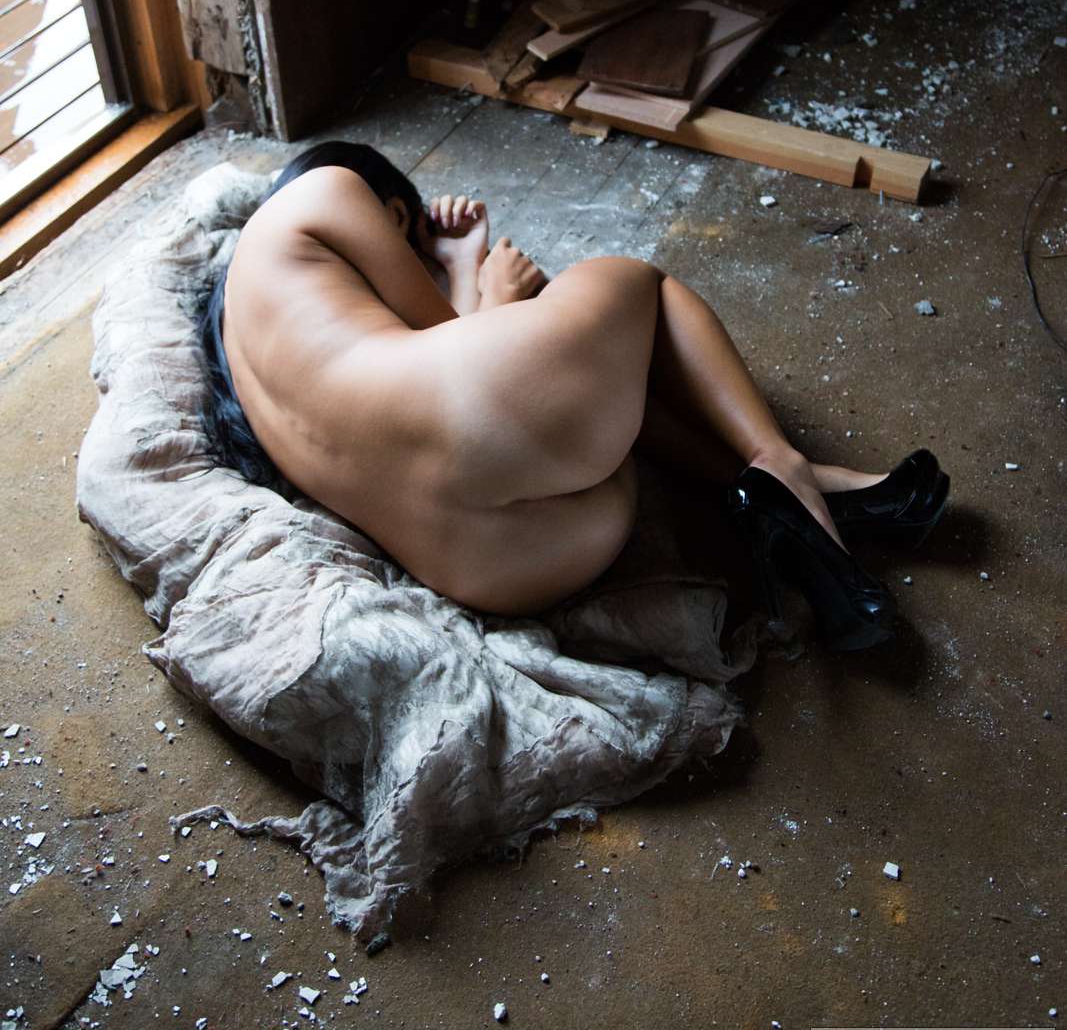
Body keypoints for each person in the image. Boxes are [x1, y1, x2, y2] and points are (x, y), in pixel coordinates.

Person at [201, 141, 948, 650]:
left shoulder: (239, 338)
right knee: (635, 286)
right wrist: (471, 270)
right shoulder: (328, 188)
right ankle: (780, 465)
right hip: (497, 445)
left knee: (594, 375)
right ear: (395, 213)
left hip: (500, 565)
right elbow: (448, 341)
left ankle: (801, 494)